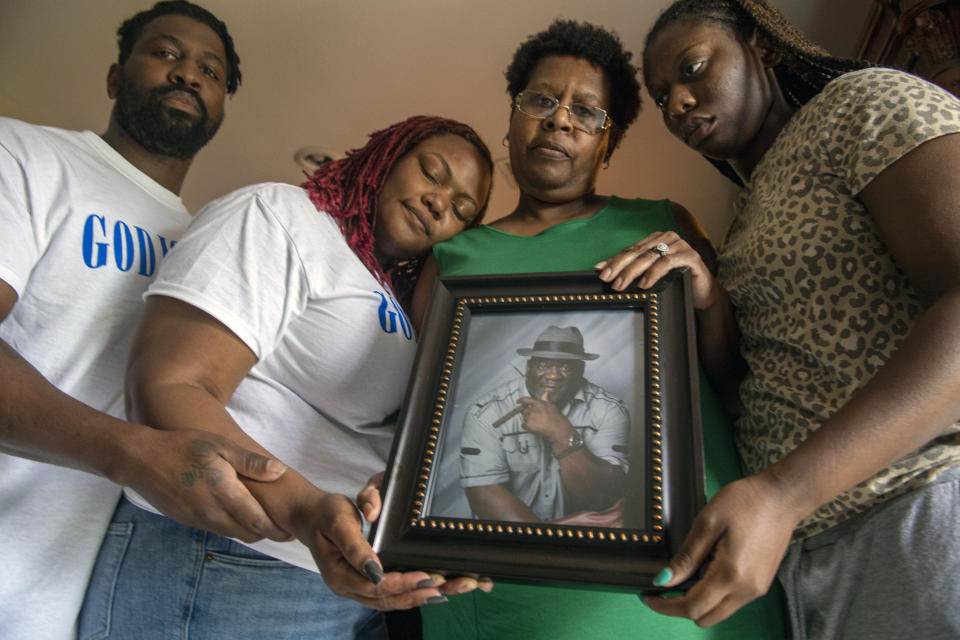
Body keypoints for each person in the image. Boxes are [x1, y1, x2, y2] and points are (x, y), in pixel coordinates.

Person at [389, 18, 786, 640]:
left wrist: (705, 297)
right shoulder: (454, 259)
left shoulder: (664, 223)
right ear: (514, 118)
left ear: (608, 143)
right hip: (494, 586)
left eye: (587, 112)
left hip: (678, 573)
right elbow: (423, 424)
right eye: (541, 101)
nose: (559, 120)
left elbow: (735, 380)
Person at [78, 115, 494, 639]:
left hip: (344, 581)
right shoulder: (279, 214)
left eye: (462, 209)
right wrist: (304, 511)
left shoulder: (395, 296)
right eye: (432, 173)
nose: (440, 202)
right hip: (225, 558)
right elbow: (171, 388)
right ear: (385, 158)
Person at [635, 1, 960, 638]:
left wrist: (783, 493)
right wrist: (710, 304)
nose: (676, 104)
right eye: (661, 96)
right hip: (805, 558)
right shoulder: (746, 214)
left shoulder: (861, 104)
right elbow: (751, 391)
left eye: (693, 69)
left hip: (917, 510)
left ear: (766, 46)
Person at [0, 3, 290, 638]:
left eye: (210, 70)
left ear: (221, 106)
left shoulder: (207, 239)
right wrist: (133, 454)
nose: (189, 74)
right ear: (114, 76)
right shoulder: (23, 153)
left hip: (68, 595)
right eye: (166, 53)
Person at [460, 325, 629, 522]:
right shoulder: (486, 412)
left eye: (565, 367)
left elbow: (601, 497)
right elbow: (484, 495)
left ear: (581, 370)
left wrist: (561, 433)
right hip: (514, 539)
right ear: (528, 367)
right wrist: (546, 542)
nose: (553, 375)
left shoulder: (609, 410)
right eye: (543, 365)